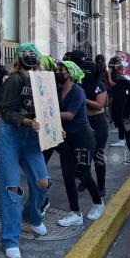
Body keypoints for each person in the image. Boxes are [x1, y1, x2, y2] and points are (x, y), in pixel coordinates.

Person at [0, 43, 49, 258]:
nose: (29, 58)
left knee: (42, 182)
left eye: (32, 54)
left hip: (32, 136)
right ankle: (10, 239)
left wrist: (55, 128)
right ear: (19, 58)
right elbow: (5, 111)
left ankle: (32, 215)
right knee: (11, 187)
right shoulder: (14, 79)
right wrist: (26, 121)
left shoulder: (42, 79)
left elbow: (48, 109)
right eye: (25, 54)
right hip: (11, 135)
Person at [53, 61, 104, 227]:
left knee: (84, 173)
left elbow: (70, 115)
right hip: (66, 139)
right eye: (57, 69)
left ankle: (98, 203)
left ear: (70, 74)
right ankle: (75, 213)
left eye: (61, 70)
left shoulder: (78, 91)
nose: (58, 72)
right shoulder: (58, 90)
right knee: (67, 175)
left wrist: (49, 114)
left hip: (83, 138)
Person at [81, 60, 108, 197]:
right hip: (84, 122)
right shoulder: (80, 84)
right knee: (83, 155)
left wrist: (83, 99)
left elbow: (99, 105)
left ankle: (101, 186)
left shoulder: (100, 85)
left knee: (98, 156)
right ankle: (85, 181)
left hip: (98, 123)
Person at [107, 56, 128, 148]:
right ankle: (124, 137)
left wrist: (109, 74)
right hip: (118, 97)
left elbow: (112, 83)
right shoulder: (120, 73)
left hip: (120, 98)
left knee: (120, 118)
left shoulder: (120, 74)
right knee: (118, 117)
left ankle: (121, 140)